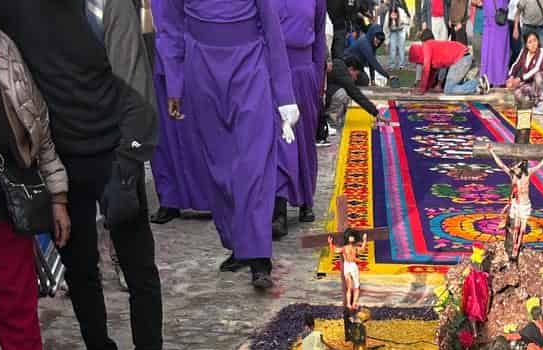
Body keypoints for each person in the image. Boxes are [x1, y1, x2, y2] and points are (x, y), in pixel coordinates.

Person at [0, 0, 165, 350]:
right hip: (61, 159)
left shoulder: (107, 5)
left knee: (137, 262)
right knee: (79, 268)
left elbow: (136, 84)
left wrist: (129, 159)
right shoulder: (14, 9)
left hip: (114, 151)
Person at [154, 0, 301, 292]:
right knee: (217, 166)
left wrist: (284, 95)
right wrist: (175, 83)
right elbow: (170, 27)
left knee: (254, 163)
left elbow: (272, 30)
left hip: (250, 64)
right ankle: (239, 242)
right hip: (201, 69)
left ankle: (259, 257)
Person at [0, 1, 70, 350]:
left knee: (16, 297)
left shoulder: (5, 52)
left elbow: (38, 126)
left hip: (4, 196)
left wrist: (57, 195)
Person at [148, 0, 210, 224]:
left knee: (194, 133)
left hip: (182, 54)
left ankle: (207, 197)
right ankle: (169, 199)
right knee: (161, 137)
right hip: (150, 52)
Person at [272, 0, 328, 237]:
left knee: (304, 139)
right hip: (272, 71)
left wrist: (317, 76)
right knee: (278, 140)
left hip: (304, 73)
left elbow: (319, 35)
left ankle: (306, 199)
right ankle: (278, 210)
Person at [489, 146, 543, 260]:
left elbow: (540, 165)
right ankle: (514, 250)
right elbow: (501, 165)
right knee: (516, 227)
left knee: (522, 229)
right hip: (516, 204)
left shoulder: (528, 173)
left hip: (525, 205)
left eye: (516, 167)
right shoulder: (512, 175)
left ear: (520, 168)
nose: (514, 168)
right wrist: (492, 152)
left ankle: (517, 247)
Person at [322, 54, 381, 139]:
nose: (356, 78)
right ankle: (330, 123)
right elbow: (355, 93)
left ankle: (336, 118)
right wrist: (375, 112)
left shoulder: (339, 66)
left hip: (325, 92)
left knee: (345, 93)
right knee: (341, 94)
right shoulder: (342, 71)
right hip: (321, 97)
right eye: (356, 75)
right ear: (351, 69)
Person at [408, 36, 489, 94]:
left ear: (417, 54)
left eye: (417, 61)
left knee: (448, 89)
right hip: (462, 57)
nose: (418, 63)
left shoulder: (426, 46)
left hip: (461, 58)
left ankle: (478, 83)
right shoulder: (428, 50)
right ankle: (478, 87)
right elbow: (431, 73)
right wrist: (426, 88)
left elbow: (426, 70)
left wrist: (421, 90)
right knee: (451, 88)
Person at [506, 30, 543, 114]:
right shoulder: (524, 52)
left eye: (535, 40)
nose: (533, 44)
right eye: (530, 42)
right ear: (526, 45)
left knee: (538, 76)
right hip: (531, 84)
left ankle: (542, 103)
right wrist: (511, 77)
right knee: (517, 94)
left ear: (538, 41)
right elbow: (516, 64)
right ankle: (533, 102)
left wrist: (520, 79)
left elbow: (536, 69)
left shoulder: (542, 52)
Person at [329, 228, 367, 310]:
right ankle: (350, 304)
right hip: (349, 266)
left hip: (350, 266)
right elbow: (335, 250)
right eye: (350, 236)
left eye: (353, 236)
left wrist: (364, 240)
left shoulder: (354, 247)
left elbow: (362, 249)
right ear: (347, 237)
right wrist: (330, 243)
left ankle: (352, 304)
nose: (352, 238)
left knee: (355, 286)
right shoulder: (345, 248)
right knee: (352, 287)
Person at [480, 0, 510, 88]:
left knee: (490, 52)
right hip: (499, 21)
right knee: (500, 53)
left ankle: (488, 79)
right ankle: (499, 79)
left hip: (492, 23)